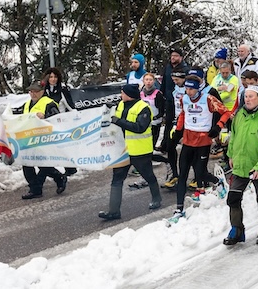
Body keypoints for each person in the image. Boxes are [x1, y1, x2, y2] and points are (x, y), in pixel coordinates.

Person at [167, 74, 232, 223]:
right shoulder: (184, 99)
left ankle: (217, 182)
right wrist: (178, 130)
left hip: (203, 141)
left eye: (191, 89)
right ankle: (179, 209)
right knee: (182, 175)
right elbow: (183, 114)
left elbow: (226, 112)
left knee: (200, 173)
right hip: (188, 141)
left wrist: (218, 127)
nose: (188, 92)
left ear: (197, 89)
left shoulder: (208, 99)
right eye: (186, 88)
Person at [223, 84, 258, 246]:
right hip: (240, 165)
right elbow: (234, 136)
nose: (247, 100)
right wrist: (231, 155)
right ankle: (237, 229)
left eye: (251, 96)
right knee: (233, 198)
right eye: (246, 96)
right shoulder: (239, 114)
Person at [98, 84, 161, 220]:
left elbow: (140, 127)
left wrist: (119, 121)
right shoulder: (121, 104)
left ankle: (157, 198)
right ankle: (113, 211)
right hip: (122, 150)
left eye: (123, 93)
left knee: (148, 176)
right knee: (117, 179)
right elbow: (115, 115)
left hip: (140, 150)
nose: (121, 95)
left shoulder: (143, 108)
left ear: (129, 95)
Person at [18, 81, 67, 199]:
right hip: (29, 139)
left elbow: (57, 120)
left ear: (42, 91)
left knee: (42, 164)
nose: (33, 94)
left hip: (44, 140)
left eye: (36, 91)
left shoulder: (49, 103)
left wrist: (45, 117)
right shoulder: (26, 104)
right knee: (26, 164)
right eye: (31, 91)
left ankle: (57, 178)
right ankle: (36, 188)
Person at [140, 73, 165, 149]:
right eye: (146, 80)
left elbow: (162, 109)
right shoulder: (141, 93)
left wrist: (156, 117)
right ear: (143, 81)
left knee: (152, 142)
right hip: (143, 122)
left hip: (155, 122)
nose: (148, 82)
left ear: (153, 81)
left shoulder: (158, 94)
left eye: (150, 80)